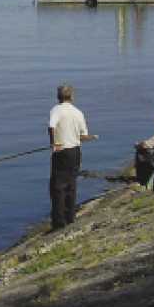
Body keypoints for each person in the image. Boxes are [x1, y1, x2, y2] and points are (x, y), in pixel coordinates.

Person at [47, 85, 95, 231]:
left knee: (58, 186)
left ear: (58, 97)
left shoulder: (56, 110)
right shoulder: (78, 112)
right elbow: (84, 135)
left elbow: (51, 126)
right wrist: (82, 138)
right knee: (71, 183)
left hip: (61, 151)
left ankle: (59, 221)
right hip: (75, 151)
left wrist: (54, 141)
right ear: (72, 97)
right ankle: (70, 216)